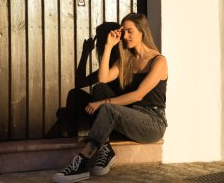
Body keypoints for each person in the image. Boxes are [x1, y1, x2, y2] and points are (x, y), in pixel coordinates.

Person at [53, 13, 168, 183]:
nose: (126, 36)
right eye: (124, 32)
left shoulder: (158, 61)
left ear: (142, 31)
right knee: (100, 90)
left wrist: (103, 103)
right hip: (131, 116)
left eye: (130, 32)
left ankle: (82, 162)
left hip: (153, 122)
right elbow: (103, 78)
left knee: (107, 106)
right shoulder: (125, 61)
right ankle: (104, 150)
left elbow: (139, 95)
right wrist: (108, 46)